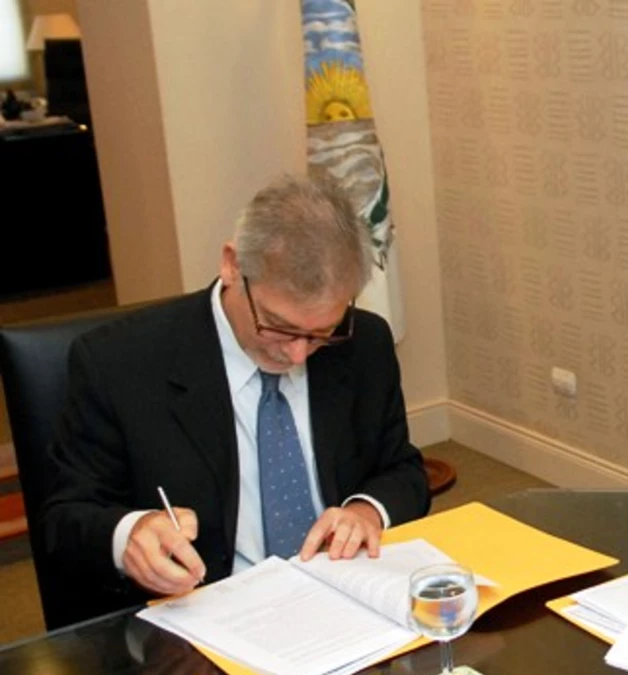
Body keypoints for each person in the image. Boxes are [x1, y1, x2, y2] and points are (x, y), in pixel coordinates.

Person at [42, 174, 430, 611]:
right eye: (278, 326)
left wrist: (365, 511)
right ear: (232, 265)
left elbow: (403, 470)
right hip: (210, 611)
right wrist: (130, 534)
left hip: (344, 598)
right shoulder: (119, 363)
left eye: (321, 332)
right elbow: (65, 517)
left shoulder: (364, 343)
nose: (297, 354)